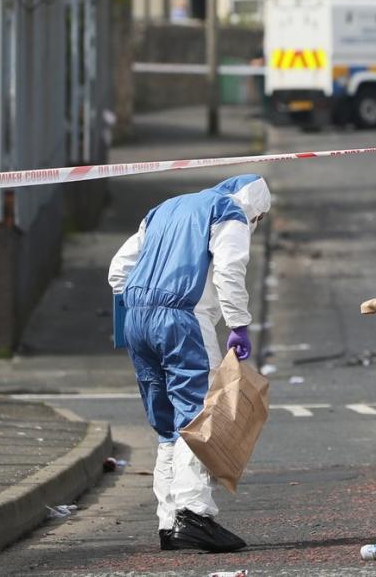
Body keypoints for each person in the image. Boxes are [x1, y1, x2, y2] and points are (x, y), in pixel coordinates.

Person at [107, 174, 271, 553]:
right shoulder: (228, 211)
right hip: (182, 321)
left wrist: (137, 309)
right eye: (258, 221)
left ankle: (169, 522)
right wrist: (238, 325)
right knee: (199, 417)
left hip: (137, 319)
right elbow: (230, 270)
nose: (255, 227)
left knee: (166, 424)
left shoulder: (162, 209)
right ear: (254, 209)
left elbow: (119, 269)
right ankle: (193, 515)